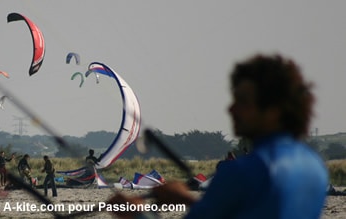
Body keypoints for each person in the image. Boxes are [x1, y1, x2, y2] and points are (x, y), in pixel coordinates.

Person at [108, 54, 328, 219]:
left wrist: (136, 214)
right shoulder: (315, 166)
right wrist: (185, 199)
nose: (231, 109)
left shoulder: (242, 171)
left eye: (243, 102)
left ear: (274, 111)